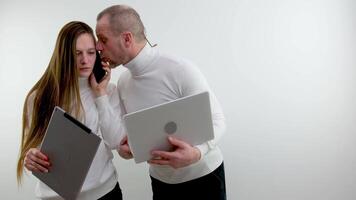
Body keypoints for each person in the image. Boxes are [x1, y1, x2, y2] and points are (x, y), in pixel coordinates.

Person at [96, 5, 227, 200]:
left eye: (103, 39)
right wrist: (127, 149)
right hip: (161, 183)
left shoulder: (180, 69)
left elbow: (218, 120)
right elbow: (128, 139)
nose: (98, 47)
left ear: (126, 39)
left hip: (204, 178)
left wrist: (197, 153)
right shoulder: (123, 82)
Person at [16, 21, 124, 200]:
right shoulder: (38, 97)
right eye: (77, 54)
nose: (85, 60)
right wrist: (31, 157)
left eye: (91, 53)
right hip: (55, 196)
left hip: (105, 192)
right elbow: (33, 148)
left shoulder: (108, 91)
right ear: (64, 55)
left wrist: (100, 95)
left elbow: (115, 141)